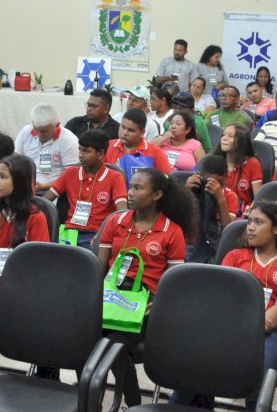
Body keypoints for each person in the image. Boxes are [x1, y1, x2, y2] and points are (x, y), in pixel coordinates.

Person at [172, 201, 277, 410]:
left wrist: (253, 329)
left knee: (257, 378)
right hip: (227, 326)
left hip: (268, 332)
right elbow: (221, 298)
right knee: (193, 368)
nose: (250, 227)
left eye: (258, 222)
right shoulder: (235, 256)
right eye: (249, 221)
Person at [99, 167, 198, 407]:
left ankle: (130, 402)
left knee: (113, 345)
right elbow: (99, 268)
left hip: (147, 299)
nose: (130, 193)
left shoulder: (171, 231)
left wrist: (161, 305)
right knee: (87, 337)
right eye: (130, 187)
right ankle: (100, 398)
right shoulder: (116, 221)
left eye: (138, 188)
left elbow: (175, 281)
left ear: (157, 195)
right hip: (111, 292)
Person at [0, 154, 50, 337]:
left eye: (3, 177)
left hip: (10, 290)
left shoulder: (36, 218)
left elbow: (36, 269)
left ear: (20, 181)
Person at [45, 129, 127, 249]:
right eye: (80, 149)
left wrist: (104, 235)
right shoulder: (70, 173)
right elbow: (45, 201)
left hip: (96, 234)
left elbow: (122, 212)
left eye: (86, 151)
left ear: (100, 153)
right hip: (68, 233)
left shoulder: (114, 177)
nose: (81, 155)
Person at [14, 103, 79, 192]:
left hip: (56, 189)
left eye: (44, 131)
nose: (39, 134)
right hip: (27, 186)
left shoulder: (69, 140)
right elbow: (15, 161)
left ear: (57, 125)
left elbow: (71, 176)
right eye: (36, 129)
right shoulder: (26, 132)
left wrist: (43, 186)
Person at [185, 155, 238, 262]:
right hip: (191, 244)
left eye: (218, 183)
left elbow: (228, 230)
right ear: (199, 176)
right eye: (207, 182)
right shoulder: (194, 190)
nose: (212, 187)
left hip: (215, 247)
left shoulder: (230, 197)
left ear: (226, 177)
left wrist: (221, 200)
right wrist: (186, 191)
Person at [104, 108, 172, 176]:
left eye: (130, 130)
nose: (124, 133)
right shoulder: (108, 146)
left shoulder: (155, 152)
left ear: (142, 133)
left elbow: (168, 180)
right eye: (123, 127)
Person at [213, 122, 262, 212]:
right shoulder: (214, 161)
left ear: (241, 141)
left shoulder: (252, 163)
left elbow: (258, 198)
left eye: (230, 136)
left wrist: (250, 210)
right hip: (216, 211)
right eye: (223, 135)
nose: (224, 138)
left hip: (242, 214)